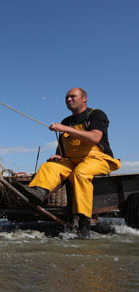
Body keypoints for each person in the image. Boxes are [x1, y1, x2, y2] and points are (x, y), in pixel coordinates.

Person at [17, 88, 120, 237]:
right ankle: (38, 192)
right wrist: (58, 156)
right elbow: (63, 145)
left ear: (84, 98)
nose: (69, 99)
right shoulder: (67, 121)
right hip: (71, 160)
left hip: (97, 158)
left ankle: (84, 225)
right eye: (67, 98)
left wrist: (64, 128)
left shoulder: (96, 114)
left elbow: (94, 138)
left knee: (81, 174)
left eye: (73, 96)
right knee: (49, 166)